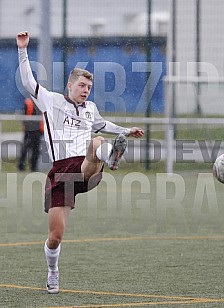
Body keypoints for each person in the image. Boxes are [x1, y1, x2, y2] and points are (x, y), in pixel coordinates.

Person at [16, 31, 144, 294]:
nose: (86, 91)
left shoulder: (90, 108)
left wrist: (125, 130)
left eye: (89, 88)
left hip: (86, 168)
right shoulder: (50, 101)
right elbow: (29, 82)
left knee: (96, 142)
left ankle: (112, 157)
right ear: (70, 86)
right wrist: (22, 50)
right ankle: (53, 272)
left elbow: (102, 124)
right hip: (60, 173)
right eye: (82, 87)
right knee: (55, 237)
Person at [18, 97, 44, 172]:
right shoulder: (28, 102)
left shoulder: (41, 103)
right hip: (29, 130)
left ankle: (33, 167)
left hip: (37, 131)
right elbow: (24, 115)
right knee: (25, 149)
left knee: (35, 150)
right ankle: (21, 167)